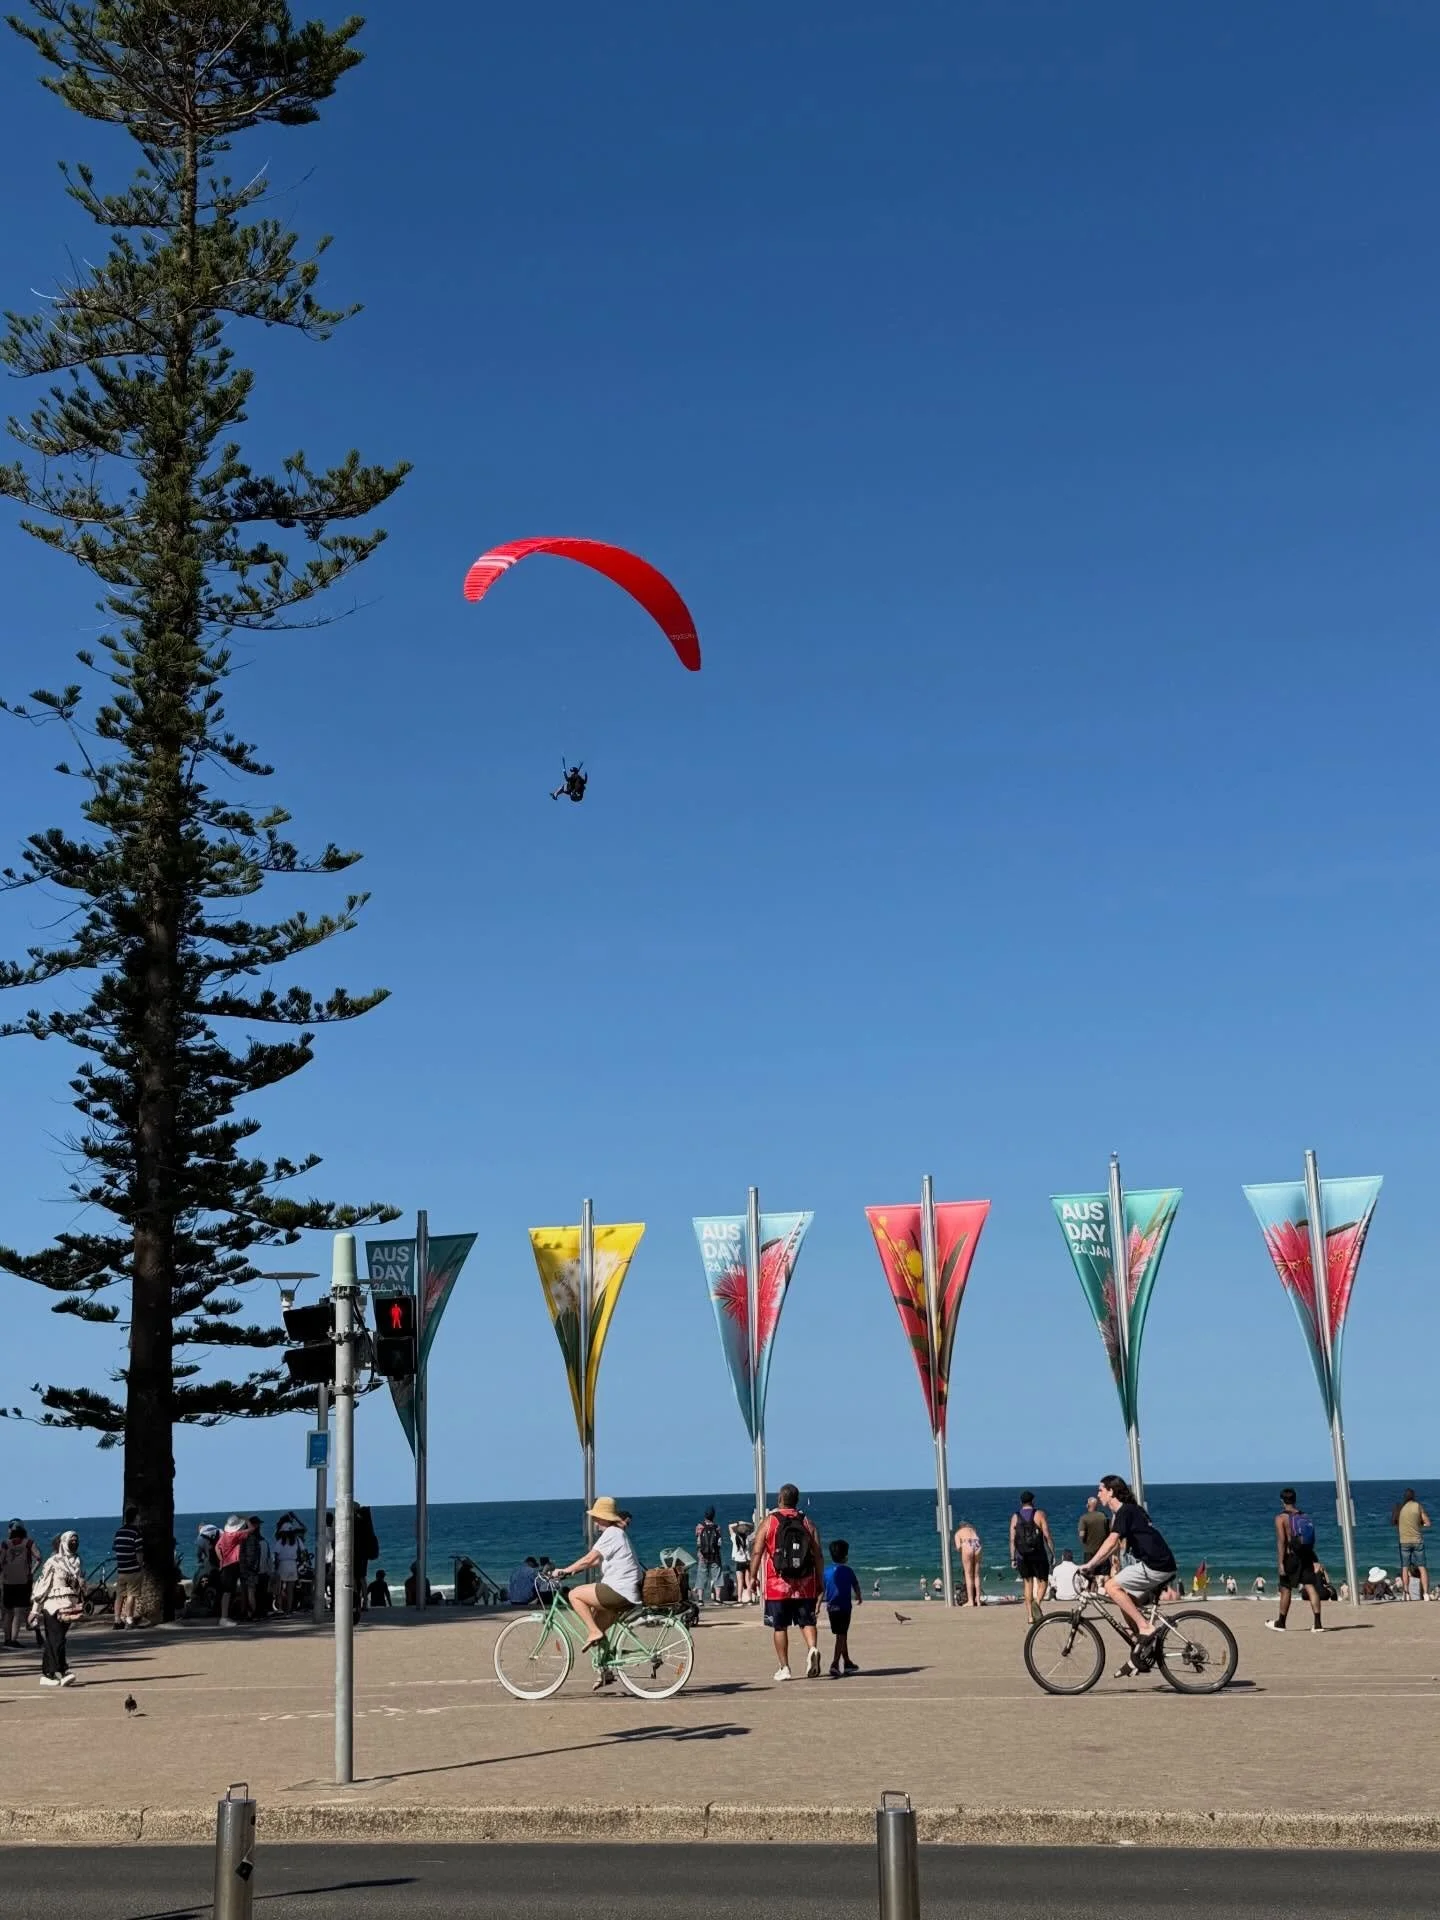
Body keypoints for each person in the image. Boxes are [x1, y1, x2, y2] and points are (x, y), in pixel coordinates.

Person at [1077, 1475, 1178, 1669]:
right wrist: (1100, 1562)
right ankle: (1141, 1646)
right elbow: (1115, 1546)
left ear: (1111, 1492)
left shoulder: (1125, 1511)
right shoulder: (1127, 1512)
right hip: (1160, 1563)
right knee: (1125, 1601)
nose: (1098, 1494)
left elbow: (1112, 1541)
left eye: (1100, 1490)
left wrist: (1089, 1564)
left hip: (1156, 1564)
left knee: (1111, 1586)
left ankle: (1146, 1628)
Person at [555, 1497, 644, 1686]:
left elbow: (589, 1559)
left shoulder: (612, 1532)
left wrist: (565, 1570)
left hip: (619, 1591)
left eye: (596, 1517)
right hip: (626, 1592)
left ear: (604, 1518)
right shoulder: (616, 1533)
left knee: (574, 1595)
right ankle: (605, 1672)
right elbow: (595, 1561)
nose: (594, 1522)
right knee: (598, 1624)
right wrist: (573, 1571)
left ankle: (593, 1632)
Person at [750, 1483, 825, 1682]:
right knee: (807, 1622)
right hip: (805, 1583)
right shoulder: (807, 1522)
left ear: (779, 1499)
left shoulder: (770, 1522)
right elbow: (817, 1554)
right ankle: (812, 1648)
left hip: (777, 1585)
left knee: (779, 1627)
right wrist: (820, 1582)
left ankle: (784, 1667)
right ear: (797, 1500)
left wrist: (752, 1577)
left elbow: (757, 1551)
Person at [28, 1530, 85, 1687]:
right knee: (57, 1639)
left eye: (76, 1540)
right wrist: (35, 1610)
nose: (74, 1543)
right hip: (52, 1607)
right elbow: (42, 1586)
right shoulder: (53, 1562)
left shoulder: (78, 1562)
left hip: (69, 1608)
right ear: (64, 1542)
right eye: (71, 1540)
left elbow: (78, 1586)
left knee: (55, 1641)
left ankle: (48, 1674)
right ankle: (63, 1670)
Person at [1266, 1488, 1324, 1633]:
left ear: (1282, 1501)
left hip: (1291, 1556)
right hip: (1306, 1555)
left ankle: (1281, 1622)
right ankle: (1317, 1624)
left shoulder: (1281, 1518)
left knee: (1286, 1589)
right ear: (1295, 1499)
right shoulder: (1304, 1516)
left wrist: (1280, 1562)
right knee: (1310, 1586)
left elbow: (1282, 1541)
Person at [1010, 1492, 1053, 1624]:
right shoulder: (1039, 1514)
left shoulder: (1015, 1517)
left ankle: (1030, 1616)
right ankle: (1037, 1603)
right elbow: (1046, 1535)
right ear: (1033, 1501)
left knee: (1028, 1584)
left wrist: (1013, 1558)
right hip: (1038, 1554)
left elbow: (1012, 1539)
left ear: (1021, 1502)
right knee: (1043, 1581)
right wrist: (1052, 1551)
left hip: (1022, 1556)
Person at [0, 1522, 41, 1647]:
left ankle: (7, 1639)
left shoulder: (5, 1544)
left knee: (8, 1612)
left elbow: (0, 1561)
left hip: (8, 1582)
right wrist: (32, 1572)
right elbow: (39, 1558)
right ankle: (13, 1639)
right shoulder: (29, 1543)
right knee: (18, 1611)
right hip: (23, 1581)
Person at [825, 1539, 861, 1676]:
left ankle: (847, 1662)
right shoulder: (848, 1570)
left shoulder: (826, 1571)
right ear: (845, 1556)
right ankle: (835, 1663)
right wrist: (859, 1596)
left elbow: (822, 1588)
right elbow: (855, 1584)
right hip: (844, 1607)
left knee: (841, 1633)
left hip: (831, 1607)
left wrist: (817, 1604)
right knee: (841, 1634)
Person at [1392, 1489, 1430, 1601]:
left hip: (1404, 1541)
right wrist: (1419, 1524)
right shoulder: (1418, 1506)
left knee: (1405, 1567)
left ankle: (1406, 1593)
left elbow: (1394, 1523)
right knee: (1422, 1567)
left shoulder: (1400, 1508)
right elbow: (1427, 1523)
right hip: (1417, 1540)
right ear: (1414, 1496)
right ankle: (1426, 1594)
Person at [110, 1506, 144, 1630]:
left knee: (120, 1595)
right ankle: (129, 1619)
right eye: (138, 1516)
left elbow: (116, 1549)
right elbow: (139, 1552)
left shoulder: (119, 1532)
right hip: (133, 1569)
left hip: (121, 1570)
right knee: (131, 1595)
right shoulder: (136, 1533)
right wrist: (140, 1565)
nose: (140, 1518)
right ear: (135, 1518)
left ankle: (117, 1619)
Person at [215, 1515, 248, 1626]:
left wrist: (221, 1560)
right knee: (228, 1592)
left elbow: (216, 1547)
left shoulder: (224, 1535)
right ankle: (224, 1618)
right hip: (232, 1564)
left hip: (226, 1564)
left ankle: (225, 1616)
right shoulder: (235, 1535)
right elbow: (252, 1529)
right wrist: (246, 1519)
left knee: (227, 1591)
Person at [694, 1507, 725, 1605]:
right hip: (715, 1556)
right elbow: (719, 1542)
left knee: (701, 1576)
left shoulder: (699, 1526)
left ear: (705, 1515)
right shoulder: (717, 1527)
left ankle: (700, 1599)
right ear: (713, 1516)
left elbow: (697, 1537)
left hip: (702, 1556)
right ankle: (718, 1598)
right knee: (717, 1576)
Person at [272, 1520, 300, 1615]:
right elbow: (302, 1552)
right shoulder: (297, 1541)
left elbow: (276, 1556)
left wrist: (275, 1568)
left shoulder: (280, 1542)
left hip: (283, 1565)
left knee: (280, 1588)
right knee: (290, 1589)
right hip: (293, 1565)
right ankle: (289, 1609)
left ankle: (280, 1608)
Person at [954, 1522, 983, 1606]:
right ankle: (978, 1600)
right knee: (976, 1574)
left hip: (966, 1543)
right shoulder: (972, 1530)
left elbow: (958, 1547)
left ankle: (970, 1601)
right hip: (977, 1543)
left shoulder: (958, 1533)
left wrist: (963, 1553)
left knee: (968, 1574)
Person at [1077, 1496, 1110, 1567]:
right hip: (1103, 1550)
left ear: (1088, 1505)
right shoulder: (1103, 1516)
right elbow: (1109, 1532)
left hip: (1089, 1551)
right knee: (1104, 1574)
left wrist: (1083, 1542)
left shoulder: (1084, 1518)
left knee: (1089, 1573)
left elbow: (1081, 1535)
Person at [729, 1518, 755, 1604]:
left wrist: (738, 1523)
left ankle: (739, 1599)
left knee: (740, 1582)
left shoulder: (735, 1537)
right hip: (747, 1561)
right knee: (747, 1581)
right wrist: (745, 1523)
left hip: (739, 1562)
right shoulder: (747, 1539)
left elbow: (730, 1526)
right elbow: (752, 1527)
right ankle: (750, 1599)